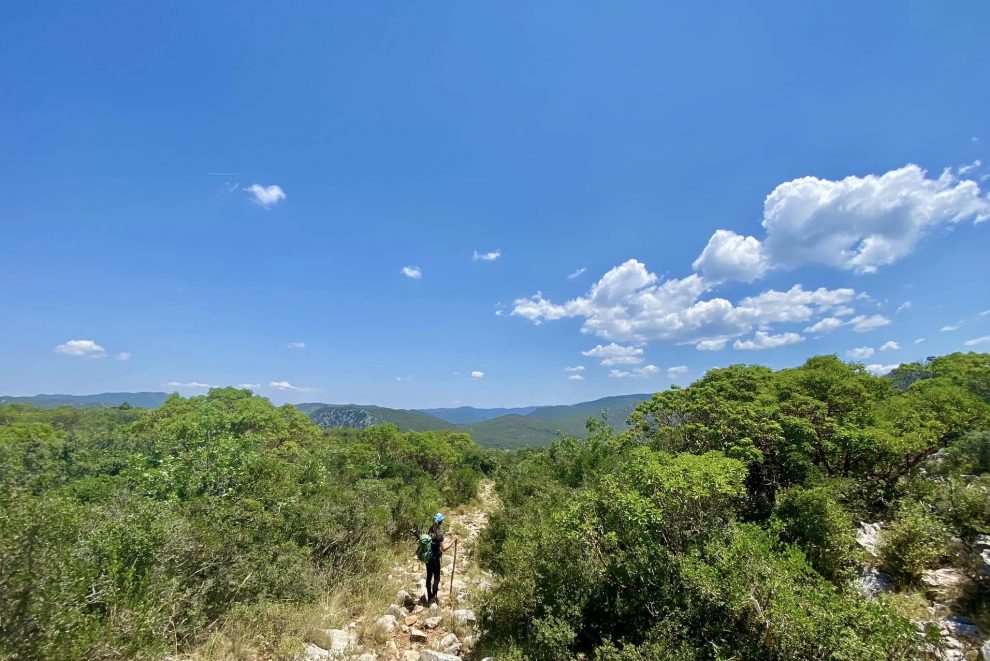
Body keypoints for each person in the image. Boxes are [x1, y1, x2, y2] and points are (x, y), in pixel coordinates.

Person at [426, 512, 456, 604]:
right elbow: (444, 548)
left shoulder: (429, 530)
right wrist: (453, 541)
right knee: (437, 578)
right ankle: (434, 597)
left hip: (428, 557)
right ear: (440, 522)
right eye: (442, 521)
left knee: (429, 576)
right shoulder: (439, 534)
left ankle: (429, 595)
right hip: (435, 559)